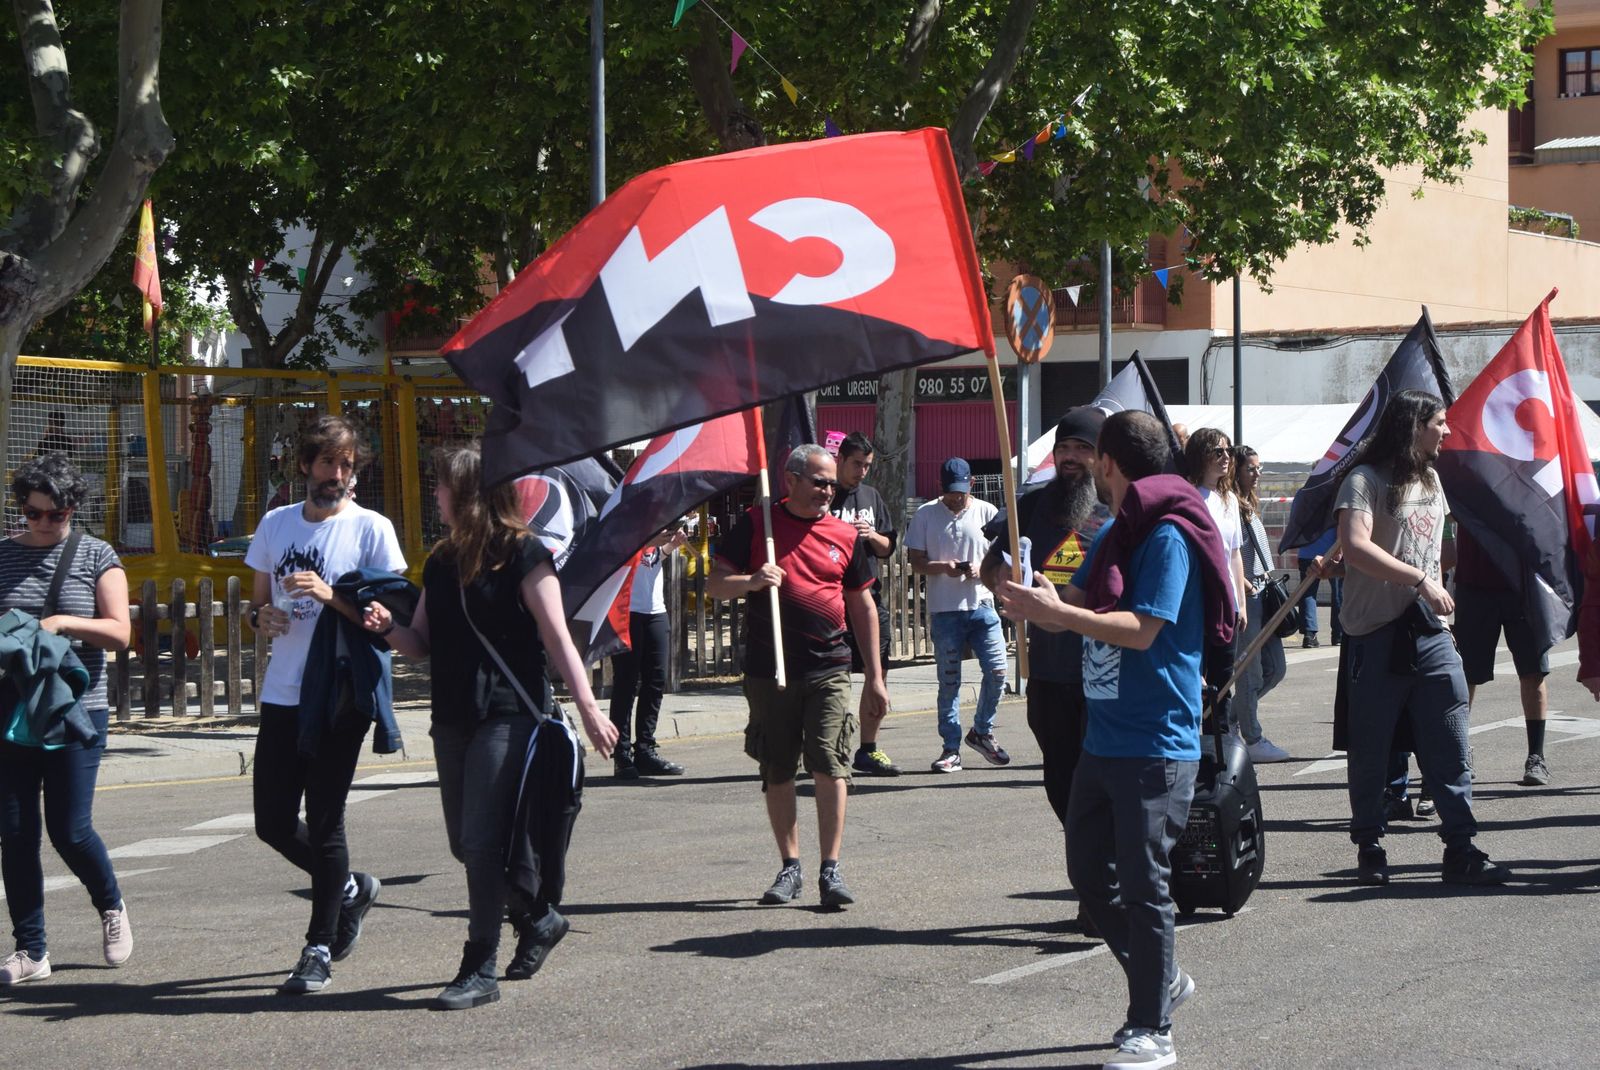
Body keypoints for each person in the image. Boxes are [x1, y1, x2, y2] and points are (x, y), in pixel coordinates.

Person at [997, 410, 1236, 1070]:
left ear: (1108, 462)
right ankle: (1164, 978)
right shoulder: (1114, 530)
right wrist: (1036, 598)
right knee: (1087, 873)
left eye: (1092, 455)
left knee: (1144, 885)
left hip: (1155, 741)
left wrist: (1060, 614)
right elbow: (1074, 600)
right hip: (1103, 738)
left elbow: (1141, 628)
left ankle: (1152, 1028)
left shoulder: (1166, 535)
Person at [368, 444, 617, 1010]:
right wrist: (385, 627)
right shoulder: (441, 560)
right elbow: (421, 643)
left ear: (469, 493)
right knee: (465, 844)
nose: (435, 495)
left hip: (509, 714)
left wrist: (588, 707)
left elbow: (557, 637)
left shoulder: (525, 554)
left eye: (442, 485)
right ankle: (539, 919)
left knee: (482, 843)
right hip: (452, 716)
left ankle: (479, 965)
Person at [245, 415, 408, 995]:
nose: (337, 474)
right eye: (327, 463)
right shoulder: (275, 524)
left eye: (346, 465)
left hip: (341, 696)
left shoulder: (371, 529)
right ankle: (348, 889)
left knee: (326, 819)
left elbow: (388, 617)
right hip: (283, 690)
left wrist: (330, 595)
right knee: (270, 822)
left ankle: (318, 947)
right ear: (305, 466)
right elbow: (255, 605)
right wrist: (260, 618)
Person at [1321, 389, 1509, 887]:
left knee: (1451, 739)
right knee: (1371, 748)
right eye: (1439, 422)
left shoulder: (1431, 479)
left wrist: (1441, 574)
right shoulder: (1364, 481)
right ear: (1413, 425)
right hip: (1375, 633)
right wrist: (1418, 578)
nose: (1446, 431)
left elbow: (1436, 549)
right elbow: (1356, 545)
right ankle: (1370, 846)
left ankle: (1461, 847)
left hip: (1431, 633)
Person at [707, 444, 888, 908]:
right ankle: (790, 867)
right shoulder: (758, 525)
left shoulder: (844, 534)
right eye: (818, 481)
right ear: (790, 480)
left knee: (829, 762)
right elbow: (715, 583)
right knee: (778, 766)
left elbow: (861, 605)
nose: (827, 490)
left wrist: (875, 676)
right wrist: (751, 581)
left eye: (831, 483)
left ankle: (831, 868)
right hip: (770, 670)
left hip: (829, 666)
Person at [0, 454, 132, 985]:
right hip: (12, 712)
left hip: (76, 712)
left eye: (56, 514)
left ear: (72, 510)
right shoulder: (3, 556)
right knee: (14, 833)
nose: (44, 523)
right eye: (34, 514)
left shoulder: (96, 554)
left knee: (71, 830)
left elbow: (120, 633)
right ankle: (31, 949)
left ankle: (111, 904)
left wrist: (61, 623)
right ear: (21, 508)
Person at [980, 407, 1110, 930]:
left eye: (1082, 449)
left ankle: (1101, 889)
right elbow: (991, 567)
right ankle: (1092, 878)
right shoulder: (1030, 506)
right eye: (1064, 449)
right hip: (1049, 672)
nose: (1071, 458)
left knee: (1099, 785)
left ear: (1101, 457)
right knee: (1062, 782)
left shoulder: (1117, 510)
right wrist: (1002, 582)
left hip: (1105, 674)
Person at [905, 457, 1010, 773]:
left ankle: (982, 731)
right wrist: (943, 567)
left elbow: (1004, 558)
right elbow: (915, 560)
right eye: (950, 492)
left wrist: (983, 569)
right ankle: (950, 749)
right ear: (940, 486)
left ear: (972, 485)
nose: (956, 497)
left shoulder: (988, 512)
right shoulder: (925, 514)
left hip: (983, 605)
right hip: (945, 610)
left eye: (961, 492)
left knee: (998, 671)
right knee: (949, 681)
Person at [1453, 527, 1553, 786]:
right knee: (1465, 674)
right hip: (1474, 583)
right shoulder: (1466, 494)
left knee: (1533, 670)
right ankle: (1460, 752)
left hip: (1523, 583)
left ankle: (1536, 756)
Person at [829, 431, 901, 776]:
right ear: (840, 459)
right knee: (833, 679)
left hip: (870, 600)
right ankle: (828, 748)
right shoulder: (824, 494)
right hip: (832, 603)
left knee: (877, 674)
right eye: (856, 463)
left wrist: (871, 535)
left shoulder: (871, 496)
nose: (862, 471)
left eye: (867, 465)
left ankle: (868, 749)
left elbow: (888, 547)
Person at [610, 524, 688, 779]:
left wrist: (669, 547)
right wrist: (647, 542)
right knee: (626, 683)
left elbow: (651, 562)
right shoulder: (625, 524)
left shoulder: (656, 525)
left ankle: (645, 750)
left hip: (655, 610)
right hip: (627, 610)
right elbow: (616, 558)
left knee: (656, 681)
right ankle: (621, 755)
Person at [1231, 446, 1290, 763]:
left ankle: (1229, 719)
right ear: (1236, 471)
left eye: (1259, 468)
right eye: (1251, 469)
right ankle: (1252, 737)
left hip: (1264, 592)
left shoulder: (1248, 504)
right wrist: (1244, 584)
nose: (1257, 474)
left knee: (1276, 669)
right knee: (1249, 672)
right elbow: (1224, 551)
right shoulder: (1229, 504)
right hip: (1249, 595)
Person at [1184, 428, 1247, 633]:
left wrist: (1241, 604)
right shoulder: (1188, 496)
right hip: (1197, 601)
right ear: (1201, 455)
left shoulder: (1230, 499)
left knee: (1228, 656)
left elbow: (1234, 554)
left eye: (1229, 450)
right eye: (1219, 451)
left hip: (1228, 601)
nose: (1227, 456)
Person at [1296, 527, 1342, 648]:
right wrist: (1339, 550)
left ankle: (1309, 635)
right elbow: (1341, 525)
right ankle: (1339, 634)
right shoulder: (1334, 512)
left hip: (1307, 552)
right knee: (1338, 593)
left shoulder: (1304, 511)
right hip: (1331, 551)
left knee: (1307, 593)